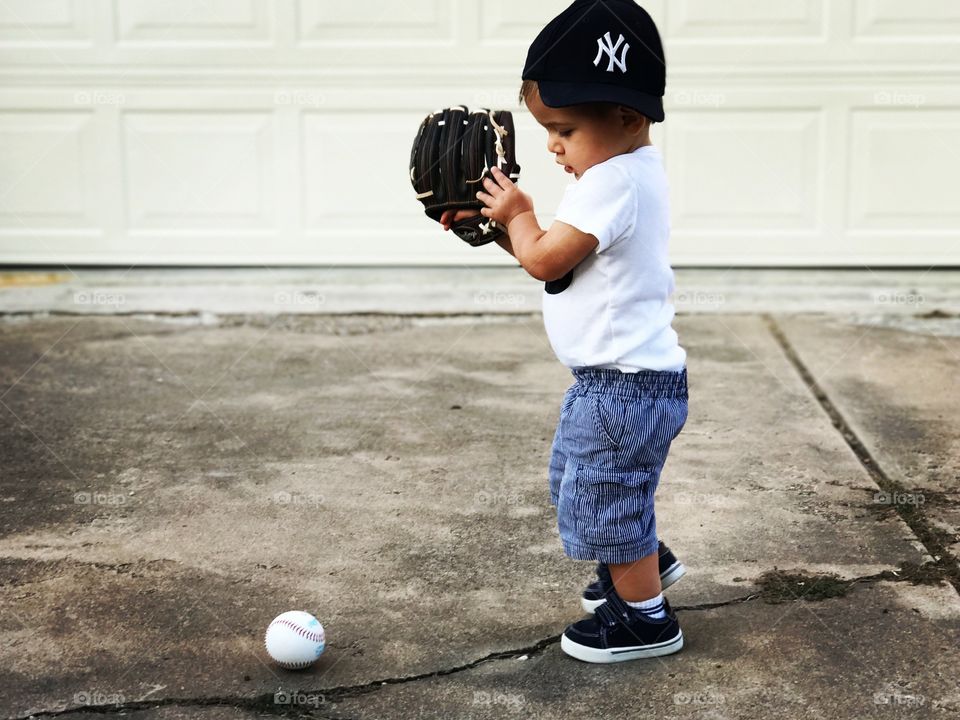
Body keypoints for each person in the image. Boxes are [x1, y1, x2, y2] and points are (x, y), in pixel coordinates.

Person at [441, 0, 689, 664]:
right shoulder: (626, 175)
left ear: (627, 117)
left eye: (565, 129)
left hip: (622, 389)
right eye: (546, 128)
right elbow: (554, 258)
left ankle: (644, 619)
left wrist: (516, 214)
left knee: (603, 493)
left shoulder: (610, 182)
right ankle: (640, 563)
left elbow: (544, 257)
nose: (553, 145)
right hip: (625, 386)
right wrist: (499, 229)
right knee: (583, 485)